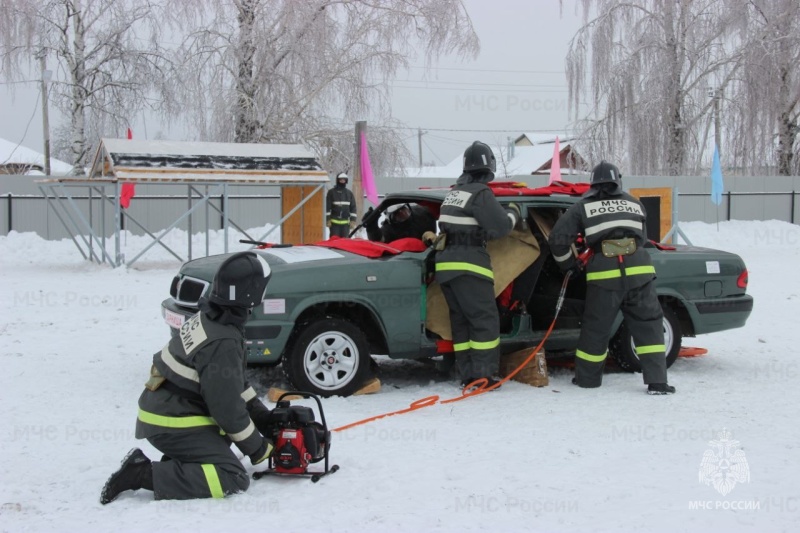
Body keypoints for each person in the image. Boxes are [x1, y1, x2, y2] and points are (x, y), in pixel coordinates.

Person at [100, 251, 277, 504]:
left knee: (226, 440)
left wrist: (262, 417)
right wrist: (258, 449)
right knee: (232, 476)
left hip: (168, 410)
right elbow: (226, 409)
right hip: (171, 421)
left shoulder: (212, 318)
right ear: (252, 293)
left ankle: (183, 461)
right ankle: (141, 473)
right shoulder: (223, 339)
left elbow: (234, 384)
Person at [547, 161, 676, 395]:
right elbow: (643, 238)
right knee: (648, 325)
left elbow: (557, 239)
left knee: (596, 327)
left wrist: (569, 265)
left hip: (604, 276)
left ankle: (587, 380)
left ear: (593, 183)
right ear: (618, 181)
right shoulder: (634, 204)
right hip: (639, 273)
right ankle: (658, 382)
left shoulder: (583, 206)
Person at [435, 141, 522, 388]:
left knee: (461, 323)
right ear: (489, 167)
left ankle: (467, 375)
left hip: (446, 266)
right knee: (484, 321)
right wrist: (514, 211)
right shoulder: (481, 193)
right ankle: (483, 376)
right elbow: (500, 228)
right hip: (469, 265)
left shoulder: (453, 192)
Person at [364, 202, 437, 243]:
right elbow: (378, 241)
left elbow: (440, 213)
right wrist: (372, 228)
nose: (403, 214)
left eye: (405, 210)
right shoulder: (389, 229)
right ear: (392, 219)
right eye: (399, 215)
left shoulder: (422, 214)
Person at [326, 172, 357, 238]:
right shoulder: (331, 192)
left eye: (344, 180)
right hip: (334, 224)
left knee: (345, 243)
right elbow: (327, 207)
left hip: (345, 225)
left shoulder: (349, 193)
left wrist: (353, 220)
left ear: (346, 181)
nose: (342, 181)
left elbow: (353, 208)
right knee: (334, 241)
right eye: (341, 180)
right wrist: (328, 219)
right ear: (337, 180)